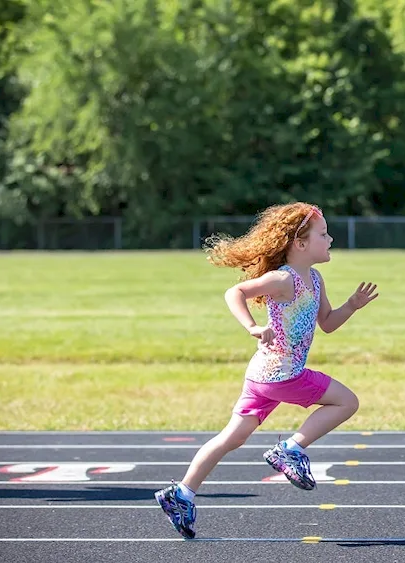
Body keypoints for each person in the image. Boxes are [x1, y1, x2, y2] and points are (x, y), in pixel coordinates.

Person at [155, 202, 379, 538]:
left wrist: (351, 306)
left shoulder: (314, 280)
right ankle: (290, 449)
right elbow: (236, 292)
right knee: (346, 402)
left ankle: (182, 494)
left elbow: (328, 324)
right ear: (300, 244)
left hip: (261, 377)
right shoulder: (283, 279)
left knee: (233, 437)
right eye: (323, 233)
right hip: (283, 374)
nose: (330, 239)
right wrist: (252, 327)